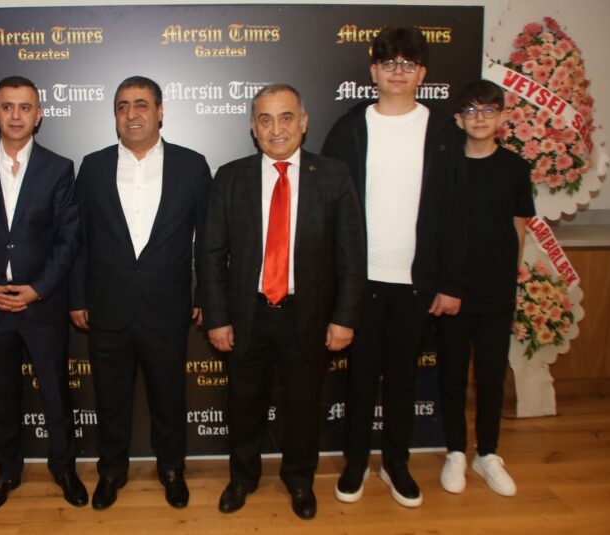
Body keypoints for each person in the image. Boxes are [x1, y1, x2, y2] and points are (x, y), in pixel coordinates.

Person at [202, 84, 365, 520]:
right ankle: (242, 478)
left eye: (286, 117)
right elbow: (211, 254)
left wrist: (345, 317)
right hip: (248, 314)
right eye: (266, 119)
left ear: (304, 122)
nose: (277, 128)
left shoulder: (333, 176)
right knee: (243, 405)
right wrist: (216, 317)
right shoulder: (230, 177)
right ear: (253, 128)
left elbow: (352, 254)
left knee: (304, 408)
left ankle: (299, 480)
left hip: (307, 316)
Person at [320, 26, 468, 509]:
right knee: (360, 380)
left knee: (403, 382)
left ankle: (396, 464)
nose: (398, 72)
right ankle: (356, 463)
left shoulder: (443, 131)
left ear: (422, 73)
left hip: (417, 285)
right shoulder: (349, 128)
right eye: (389, 63)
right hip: (360, 283)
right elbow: (326, 210)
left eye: (408, 63)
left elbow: (456, 215)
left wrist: (450, 283)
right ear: (374, 71)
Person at [70, 76, 211, 510]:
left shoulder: (191, 165)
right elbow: (78, 239)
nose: (131, 114)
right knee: (110, 398)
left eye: (141, 104)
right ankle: (112, 471)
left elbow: (208, 239)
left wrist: (205, 295)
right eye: (122, 106)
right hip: (106, 306)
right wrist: (77, 297)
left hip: (167, 307)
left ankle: (171, 469)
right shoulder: (92, 167)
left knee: (169, 396)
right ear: (115, 115)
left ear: (160, 111)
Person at [0, 76, 87, 513]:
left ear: (38, 115)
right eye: (7, 107)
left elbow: (68, 239)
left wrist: (37, 289)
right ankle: (7, 471)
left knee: (56, 394)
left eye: (25, 107)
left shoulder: (59, 168)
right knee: (0, 397)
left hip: (41, 305)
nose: (16, 115)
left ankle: (64, 468)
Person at [438, 80, 533, 498]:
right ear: (459, 119)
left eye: (489, 111)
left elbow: (518, 226)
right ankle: (456, 451)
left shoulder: (515, 168)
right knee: (452, 375)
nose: (480, 119)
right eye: (472, 111)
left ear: (501, 118)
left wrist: (510, 276)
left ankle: (488, 453)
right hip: (453, 289)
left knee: (492, 375)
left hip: (496, 291)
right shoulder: (444, 166)